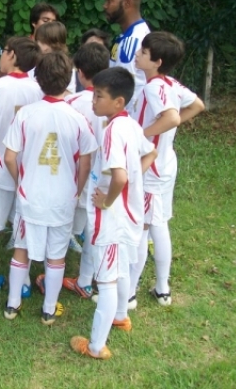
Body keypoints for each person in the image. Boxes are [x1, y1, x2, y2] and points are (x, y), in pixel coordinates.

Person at [2, 52, 96, 325]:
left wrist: (20, 182)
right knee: (56, 255)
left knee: (21, 248)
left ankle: (12, 304)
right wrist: (76, 191)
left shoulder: (26, 114)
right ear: (69, 79)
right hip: (62, 197)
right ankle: (49, 309)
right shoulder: (78, 118)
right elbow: (86, 163)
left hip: (30, 195)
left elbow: (9, 157)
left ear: (38, 80)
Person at [70, 67, 157, 360]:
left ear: (118, 102)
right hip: (128, 216)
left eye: (99, 96)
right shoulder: (130, 125)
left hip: (112, 219)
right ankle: (121, 316)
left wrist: (107, 201)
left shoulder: (111, 133)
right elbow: (151, 152)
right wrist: (132, 180)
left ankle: (95, 346)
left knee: (106, 280)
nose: (93, 101)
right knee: (119, 270)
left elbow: (119, 177)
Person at [128, 32, 205, 308]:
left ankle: (131, 292)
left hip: (152, 168)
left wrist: (142, 134)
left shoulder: (154, 87)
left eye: (144, 53)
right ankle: (161, 288)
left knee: (144, 227)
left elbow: (171, 117)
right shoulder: (171, 84)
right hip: (165, 163)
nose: (138, 55)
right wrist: (165, 132)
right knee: (156, 224)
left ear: (157, 62)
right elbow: (197, 105)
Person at [0, 37, 43, 299]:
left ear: (12, 55)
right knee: (22, 229)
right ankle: (23, 282)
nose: (1, 56)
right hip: (27, 172)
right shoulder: (38, 89)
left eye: (3, 51)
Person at [61, 43, 110, 300]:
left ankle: (52, 270)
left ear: (79, 73)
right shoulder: (114, 105)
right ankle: (85, 279)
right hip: (101, 177)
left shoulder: (71, 103)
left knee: (64, 225)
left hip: (72, 176)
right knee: (92, 227)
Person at [104, 0, 150, 114]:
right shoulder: (129, 36)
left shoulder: (132, 41)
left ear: (127, 3)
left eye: (109, 1)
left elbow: (123, 89)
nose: (105, 6)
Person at [33, 21, 77, 94]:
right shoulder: (33, 64)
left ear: (51, 44)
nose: (37, 44)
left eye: (40, 41)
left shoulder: (66, 67)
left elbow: (68, 93)